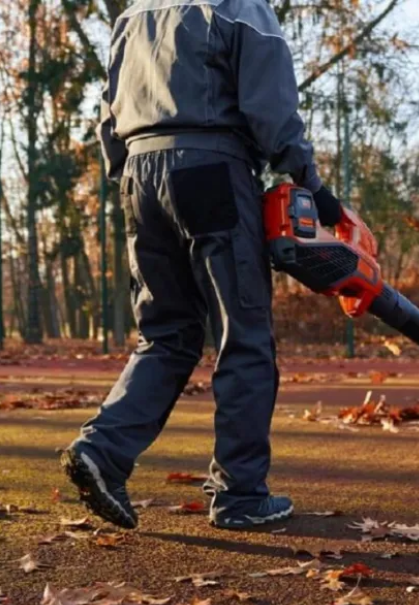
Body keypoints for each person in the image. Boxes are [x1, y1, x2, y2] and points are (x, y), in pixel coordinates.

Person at [61, 0, 354, 530]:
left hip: (138, 176)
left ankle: (101, 451)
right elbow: (272, 112)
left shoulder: (132, 16)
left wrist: (133, 175)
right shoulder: (241, 7)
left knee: (166, 334)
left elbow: (108, 117)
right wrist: (318, 193)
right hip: (213, 168)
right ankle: (240, 494)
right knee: (243, 336)